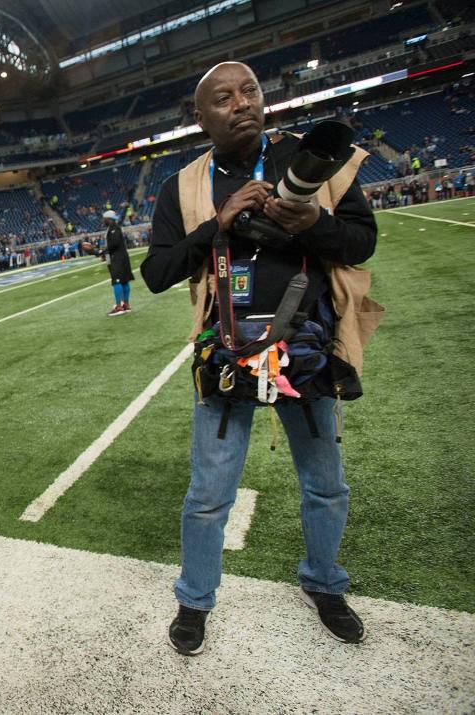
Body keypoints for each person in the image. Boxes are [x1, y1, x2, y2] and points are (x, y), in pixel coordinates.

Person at [141, 62, 381, 656]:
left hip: (308, 350)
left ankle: (325, 584)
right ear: (202, 119)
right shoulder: (184, 186)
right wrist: (217, 226)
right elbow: (156, 273)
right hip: (227, 354)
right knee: (208, 493)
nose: (241, 103)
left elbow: (362, 241)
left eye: (250, 90)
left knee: (326, 485)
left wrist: (312, 221)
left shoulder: (311, 159)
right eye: (223, 98)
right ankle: (195, 599)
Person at [101, 209, 134, 316]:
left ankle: (119, 307)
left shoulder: (113, 229)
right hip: (121, 257)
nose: (103, 220)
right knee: (124, 281)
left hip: (117, 258)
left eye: (104, 219)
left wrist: (102, 251)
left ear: (109, 219)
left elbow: (114, 244)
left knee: (117, 281)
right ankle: (126, 305)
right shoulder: (113, 228)